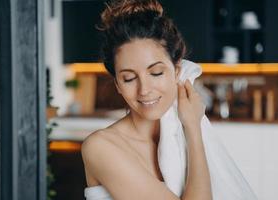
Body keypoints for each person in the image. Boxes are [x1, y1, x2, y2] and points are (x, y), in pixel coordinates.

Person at [81, 0, 258, 200]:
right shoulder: (100, 147)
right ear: (118, 85)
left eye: (156, 73)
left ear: (176, 72)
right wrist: (193, 128)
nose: (144, 90)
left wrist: (192, 126)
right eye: (129, 78)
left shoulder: (179, 136)